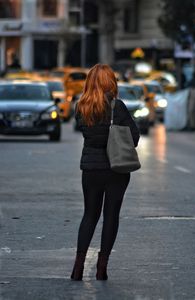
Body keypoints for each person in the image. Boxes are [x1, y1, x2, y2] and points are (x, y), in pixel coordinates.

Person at [71, 64, 140, 281]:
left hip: (90, 169)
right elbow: (134, 137)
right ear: (111, 82)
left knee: (89, 215)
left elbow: (84, 132)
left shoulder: (81, 106)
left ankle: (77, 268)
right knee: (111, 216)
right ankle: (102, 268)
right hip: (116, 169)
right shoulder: (116, 106)